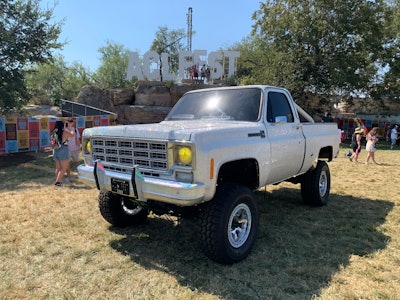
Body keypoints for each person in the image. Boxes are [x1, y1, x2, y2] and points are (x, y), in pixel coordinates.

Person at [52, 120, 74, 187]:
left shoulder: (54, 132)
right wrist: (70, 128)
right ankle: (58, 182)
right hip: (63, 150)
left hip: (55, 150)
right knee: (64, 168)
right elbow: (72, 135)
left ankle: (58, 180)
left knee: (58, 168)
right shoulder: (64, 132)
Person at [65, 118, 81, 183]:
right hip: (67, 149)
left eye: (70, 122)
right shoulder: (65, 130)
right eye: (68, 122)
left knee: (77, 162)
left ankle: (79, 174)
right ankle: (68, 177)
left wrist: (79, 147)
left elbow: (77, 139)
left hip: (75, 149)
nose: (69, 124)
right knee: (67, 164)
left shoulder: (75, 130)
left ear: (72, 123)